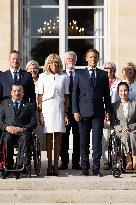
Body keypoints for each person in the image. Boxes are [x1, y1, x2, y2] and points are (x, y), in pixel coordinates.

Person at [72, 48, 111, 176]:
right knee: (83, 142)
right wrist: (75, 111)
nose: (93, 59)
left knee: (97, 142)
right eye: (91, 57)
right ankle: (84, 168)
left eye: (95, 57)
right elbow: (74, 95)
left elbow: (107, 95)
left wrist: (108, 110)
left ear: (98, 59)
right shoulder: (79, 74)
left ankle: (95, 168)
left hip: (98, 113)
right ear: (86, 59)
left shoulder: (103, 75)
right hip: (83, 113)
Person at [38, 54, 69, 176]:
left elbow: (66, 97)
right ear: (48, 64)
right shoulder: (42, 77)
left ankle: (56, 165)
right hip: (47, 108)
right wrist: (40, 114)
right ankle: (49, 165)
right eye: (51, 63)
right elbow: (39, 97)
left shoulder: (64, 77)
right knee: (49, 139)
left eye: (56, 63)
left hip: (59, 108)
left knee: (58, 138)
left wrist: (66, 114)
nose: (54, 65)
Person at [0, 84, 37, 179]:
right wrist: (6, 127)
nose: (17, 93)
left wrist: (23, 129)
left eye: (19, 91)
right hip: (9, 132)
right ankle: (8, 165)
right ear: (11, 92)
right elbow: (0, 120)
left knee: (25, 138)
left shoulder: (29, 105)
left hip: (23, 132)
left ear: (23, 92)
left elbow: (34, 123)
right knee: (7, 139)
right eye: (15, 91)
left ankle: (19, 166)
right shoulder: (4, 104)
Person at [59, 51, 80, 170]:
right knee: (64, 137)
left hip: (78, 111)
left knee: (78, 137)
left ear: (75, 60)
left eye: (72, 58)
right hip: (64, 110)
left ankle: (76, 162)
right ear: (65, 61)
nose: (70, 60)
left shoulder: (81, 74)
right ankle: (64, 162)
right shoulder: (60, 75)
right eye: (68, 58)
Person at [111, 82, 136, 170]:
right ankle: (129, 159)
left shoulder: (134, 104)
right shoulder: (114, 106)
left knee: (132, 135)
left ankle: (134, 158)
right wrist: (121, 129)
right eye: (121, 91)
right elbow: (113, 122)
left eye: (125, 90)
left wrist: (130, 128)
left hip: (133, 130)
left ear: (128, 91)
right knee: (125, 135)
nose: (123, 93)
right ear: (118, 92)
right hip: (120, 132)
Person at [102, 62, 121, 169]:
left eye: (110, 68)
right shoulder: (100, 81)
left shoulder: (120, 82)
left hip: (116, 113)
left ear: (114, 70)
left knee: (117, 138)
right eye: (106, 68)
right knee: (105, 138)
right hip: (104, 114)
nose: (108, 70)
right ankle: (105, 162)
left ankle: (116, 161)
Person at [25, 60, 45, 150]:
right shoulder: (24, 82)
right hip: (26, 112)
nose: (33, 70)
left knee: (39, 134)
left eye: (35, 68)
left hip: (39, 111)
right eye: (30, 69)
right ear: (27, 70)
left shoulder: (41, 81)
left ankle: (39, 150)